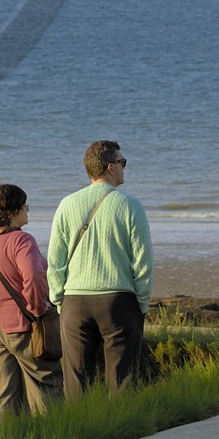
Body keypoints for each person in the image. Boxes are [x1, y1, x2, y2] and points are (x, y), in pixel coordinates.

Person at [47, 140, 154, 396]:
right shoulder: (130, 205)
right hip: (118, 300)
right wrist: (142, 303)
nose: (124, 168)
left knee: (75, 383)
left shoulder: (67, 204)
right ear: (110, 167)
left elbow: (55, 261)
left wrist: (59, 300)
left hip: (75, 301)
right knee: (122, 382)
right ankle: (123, 434)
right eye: (122, 162)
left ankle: (80, 432)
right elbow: (143, 261)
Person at [0, 183, 63, 418]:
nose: (27, 210)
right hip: (21, 324)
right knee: (45, 382)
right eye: (24, 206)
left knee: (1, 391)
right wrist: (38, 308)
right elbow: (34, 276)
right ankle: (49, 437)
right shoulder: (22, 241)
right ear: (12, 212)